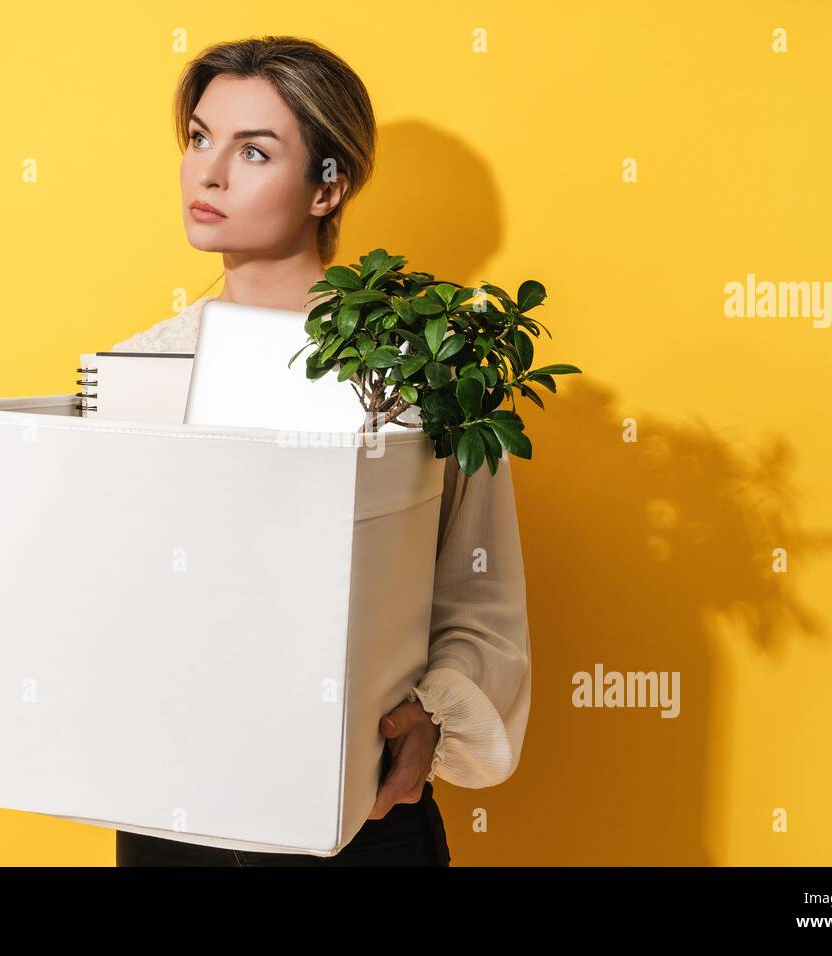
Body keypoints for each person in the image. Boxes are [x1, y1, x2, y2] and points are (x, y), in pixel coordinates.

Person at [111, 35, 532, 866]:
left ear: (327, 184)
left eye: (254, 151)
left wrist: (431, 720)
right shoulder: (139, 369)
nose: (210, 173)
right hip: (169, 817)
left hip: (362, 814)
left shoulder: (423, 373)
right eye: (199, 138)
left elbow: (482, 597)